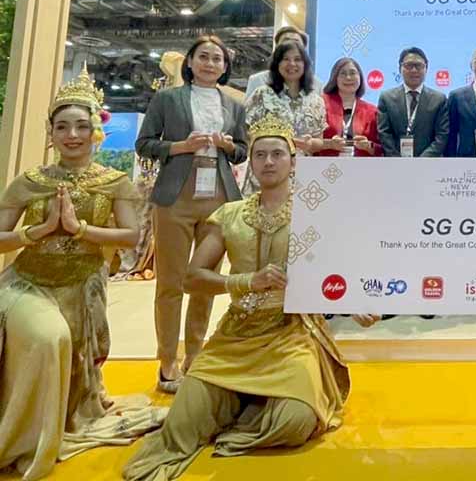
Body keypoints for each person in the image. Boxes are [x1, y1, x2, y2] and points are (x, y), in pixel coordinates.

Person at [123, 116, 378, 481]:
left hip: (291, 335)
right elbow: (192, 278)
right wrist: (247, 282)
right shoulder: (230, 214)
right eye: (260, 155)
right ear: (250, 163)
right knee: (181, 425)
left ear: (293, 161)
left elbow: (337, 270)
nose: (268, 162)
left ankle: (240, 408)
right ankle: (238, 402)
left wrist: (353, 304)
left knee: (294, 421)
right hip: (236, 337)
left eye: (277, 154)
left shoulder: (314, 214)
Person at [0, 68, 164, 480]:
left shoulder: (114, 182)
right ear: (50, 133)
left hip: (82, 288)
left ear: (96, 131)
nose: (72, 135)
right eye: (62, 126)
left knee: (68, 356)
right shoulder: (29, 182)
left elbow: (131, 236)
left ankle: (57, 419)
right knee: (47, 337)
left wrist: (80, 229)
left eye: (81, 126)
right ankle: (23, 437)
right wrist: (37, 231)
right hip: (27, 284)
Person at [136, 35, 248, 394]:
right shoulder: (168, 99)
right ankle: (167, 361)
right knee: (170, 283)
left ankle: (196, 356)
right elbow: (144, 143)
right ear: (190, 62)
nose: (210, 64)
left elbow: (243, 150)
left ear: (225, 66)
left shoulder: (234, 105)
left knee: (204, 281)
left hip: (219, 196)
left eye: (217, 59)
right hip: (176, 196)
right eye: (204, 57)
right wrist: (180, 146)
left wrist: (228, 146)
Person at [244, 40, 326, 190]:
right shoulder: (261, 94)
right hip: (266, 172)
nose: (292, 64)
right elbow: (245, 133)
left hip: (303, 179)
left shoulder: (316, 101)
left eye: (297, 59)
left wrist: (310, 144)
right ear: (277, 64)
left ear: (305, 65)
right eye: (286, 59)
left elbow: (319, 142)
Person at [377, 47, 449, 157]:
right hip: (394, 163)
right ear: (400, 68)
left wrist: (421, 162)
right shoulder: (386, 98)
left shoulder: (439, 99)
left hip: (429, 163)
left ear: (426, 68)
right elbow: (384, 133)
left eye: (418, 66)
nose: (414, 70)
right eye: (409, 65)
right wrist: (397, 160)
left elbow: (441, 136)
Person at [316, 57, 381, 157]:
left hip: (361, 165)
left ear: (360, 77)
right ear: (335, 78)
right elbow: (310, 142)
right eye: (343, 73)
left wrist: (369, 146)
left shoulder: (372, 111)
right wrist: (329, 144)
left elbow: (382, 149)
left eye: (352, 73)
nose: (348, 77)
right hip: (326, 165)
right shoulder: (320, 104)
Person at [244, 26, 309, 102]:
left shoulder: (316, 86)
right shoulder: (258, 80)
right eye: (286, 41)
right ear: (276, 49)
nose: (291, 46)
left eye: (296, 42)